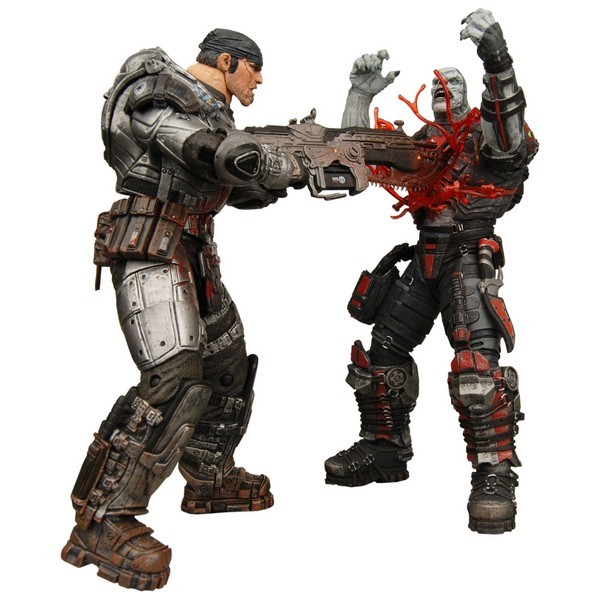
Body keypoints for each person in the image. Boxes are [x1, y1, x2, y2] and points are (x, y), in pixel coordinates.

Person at [61, 29, 306, 590]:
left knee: (227, 367)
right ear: (228, 61)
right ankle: (103, 520)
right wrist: (237, 155)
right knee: (172, 377)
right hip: (150, 241)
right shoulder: (162, 85)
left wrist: (282, 175)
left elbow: (233, 181)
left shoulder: (219, 116)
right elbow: (179, 139)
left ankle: (208, 475)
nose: (260, 79)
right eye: (254, 68)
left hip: (195, 248)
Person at [324, 9, 538, 534]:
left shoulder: (481, 137)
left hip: (468, 256)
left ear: (466, 98)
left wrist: (497, 60)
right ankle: (384, 449)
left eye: (452, 86)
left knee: (475, 367)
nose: (442, 91)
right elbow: (360, 158)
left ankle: (494, 473)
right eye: (437, 87)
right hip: (425, 256)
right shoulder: (423, 141)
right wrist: (359, 97)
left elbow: (510, 141)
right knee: (382, 352)